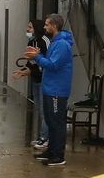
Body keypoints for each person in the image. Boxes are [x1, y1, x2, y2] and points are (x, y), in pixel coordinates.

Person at [23, 13, 73, 168]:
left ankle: (58, 156)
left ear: (54, 26)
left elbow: (53, 65)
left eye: (47, 24)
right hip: (50, 89)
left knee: (57, 123)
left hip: (57, 90)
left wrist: (37, 57)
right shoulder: (55, 42)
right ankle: (51, 151)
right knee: (51, 121)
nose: (44, 27)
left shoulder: (61, 45)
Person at [13, 19, 49, 151]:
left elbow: (45, 63)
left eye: (30, 27)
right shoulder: (31, 42)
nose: (27, 30)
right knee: (39, 109)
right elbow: (31, 63)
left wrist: (29, 71)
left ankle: (45, 138)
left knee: (45, 111)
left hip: (45, 80)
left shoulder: (45, 41)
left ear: (36, 28)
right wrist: (23, 72)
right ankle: (42, 137)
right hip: (35, 80)